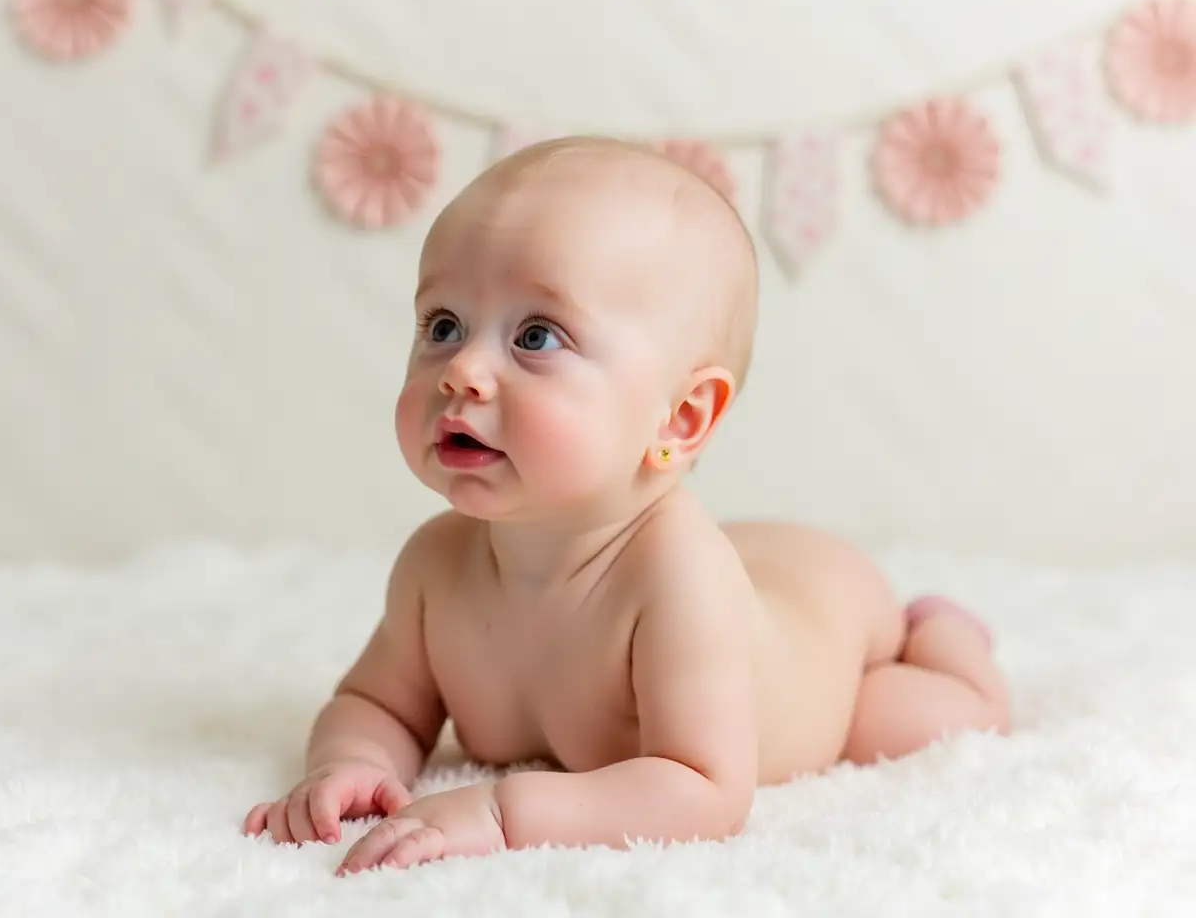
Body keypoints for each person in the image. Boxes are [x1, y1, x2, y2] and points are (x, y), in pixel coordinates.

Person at [243, 135, 1011, 875]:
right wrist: (353, 763)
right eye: (443, 325)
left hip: (828, 621)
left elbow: (703, 790)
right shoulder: (435, 566)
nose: (464, 371)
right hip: (756, 558)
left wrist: (503, 814)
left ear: (679, 418)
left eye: (537, 337)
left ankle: (942, 631)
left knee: (924, 722)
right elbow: (378, 701)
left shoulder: (676, 580)